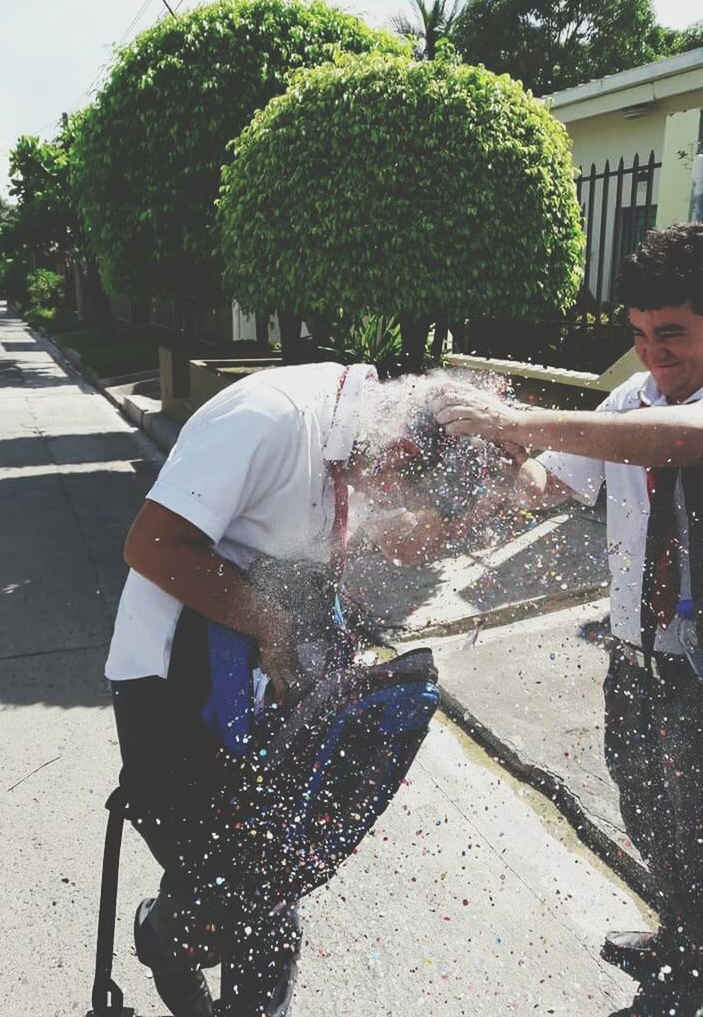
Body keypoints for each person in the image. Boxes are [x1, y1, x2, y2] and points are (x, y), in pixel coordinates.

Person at [104, 360, 460, 1017]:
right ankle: (162, 938)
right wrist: (268, 620)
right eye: (396, 490)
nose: (382, 503)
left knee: (267, 894)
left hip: (260, 691)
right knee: (214, 896)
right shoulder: (268, 418)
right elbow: (154, 544)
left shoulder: (350, 438)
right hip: (169, 686)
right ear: (402, 449)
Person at [431, 223, 703, 1017]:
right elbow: (553, 480)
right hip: (637, 652)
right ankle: (681, 933)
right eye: (641, 336)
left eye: (674, 335)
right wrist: (500, 472)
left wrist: (516, 421)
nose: (654, 354)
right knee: (647, 805)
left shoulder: (668, 418)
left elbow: (677, 443)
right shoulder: (633, 398)